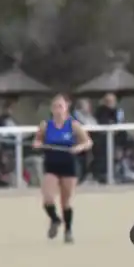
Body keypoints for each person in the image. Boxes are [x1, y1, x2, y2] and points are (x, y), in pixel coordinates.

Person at [32, 94, 92, 243]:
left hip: (68, 164)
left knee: (66, 202)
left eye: (61, 106)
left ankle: (68, 230)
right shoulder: (45, 125)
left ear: (66, 108)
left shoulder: (73, 125)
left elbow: (88, 142)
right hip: (51, 164)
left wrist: (78, 148)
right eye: (55, 106)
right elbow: (37, 140)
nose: (58, 109)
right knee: (48, 198)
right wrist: (37, 144)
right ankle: (55, 219)